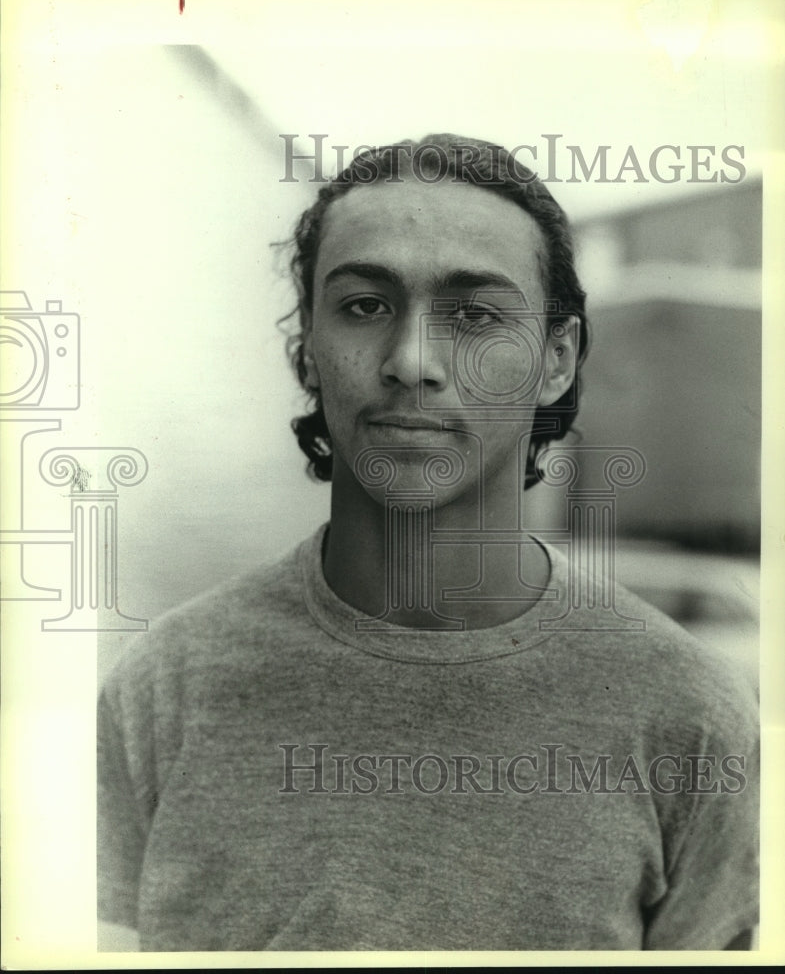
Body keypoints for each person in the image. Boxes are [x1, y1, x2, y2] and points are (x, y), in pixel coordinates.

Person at [98, 134, 758, 952]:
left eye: (475, 314)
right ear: (308, 346)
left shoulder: (685, 714)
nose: (411, 360)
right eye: (365, 306)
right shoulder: (166, 688)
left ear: (556, 361)